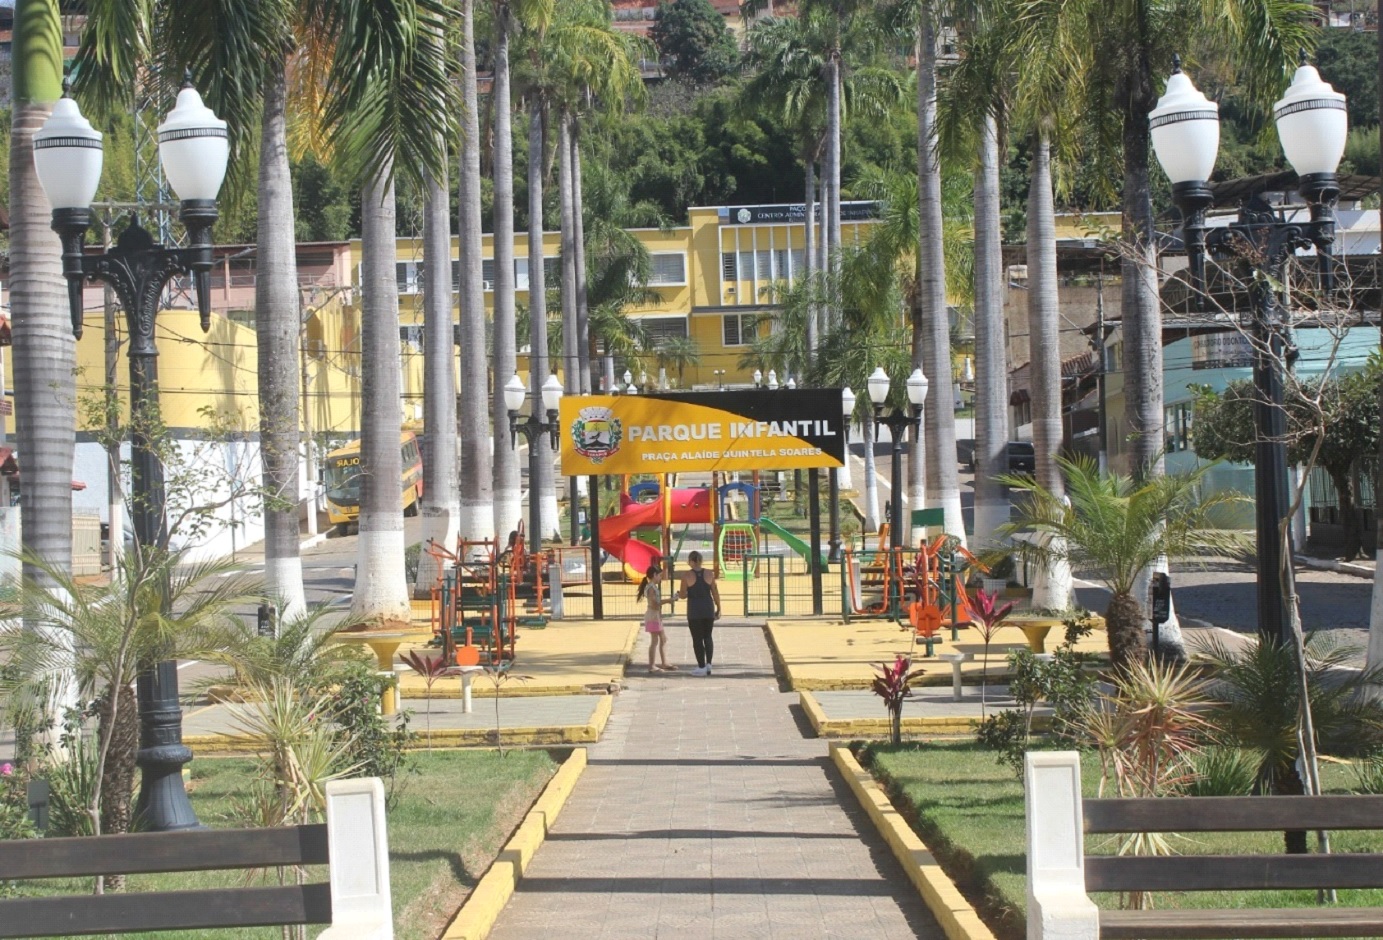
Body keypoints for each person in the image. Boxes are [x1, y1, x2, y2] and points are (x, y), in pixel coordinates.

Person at [678, 550, 720, 676]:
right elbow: (715, 592)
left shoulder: (686, 576)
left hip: (694, 610)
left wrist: (681, 594)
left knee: (697, 639)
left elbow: (683, 595)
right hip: (708, 608)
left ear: (691, 561)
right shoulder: (709, 574)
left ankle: (701, 666)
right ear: (701, 561)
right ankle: (709, 664)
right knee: (708, 636)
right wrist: (719, 607)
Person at [637, 563, 676, 673]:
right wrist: (669, 600)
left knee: (663, 639)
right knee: (655, 640)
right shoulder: (651, 588)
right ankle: (652, 666)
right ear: (654, 575)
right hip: (653, 616)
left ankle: (664, 662)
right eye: (659, 576)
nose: (660, 578)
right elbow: (655, 603)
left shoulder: (652, 587)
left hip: (655, 615)